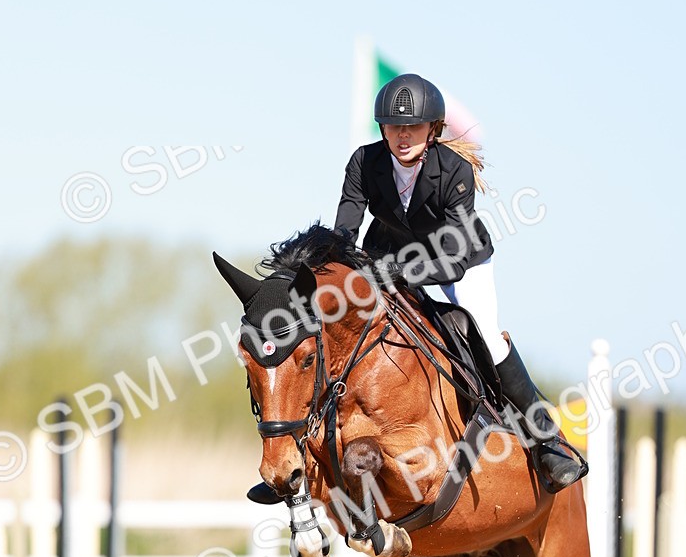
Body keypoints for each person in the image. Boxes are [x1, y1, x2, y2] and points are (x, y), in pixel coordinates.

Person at [247, 72, 584, 504]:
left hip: (457, 261)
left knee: (484, 332)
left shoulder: (454, 170)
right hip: (383, 261)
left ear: (433, 130)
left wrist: (401, 274)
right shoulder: (363, 163)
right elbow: (344, 234)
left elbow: (456, 254)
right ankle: (296, 457)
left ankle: (547, 440)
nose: (402, 136)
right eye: (393, 127)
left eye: (413, 127)